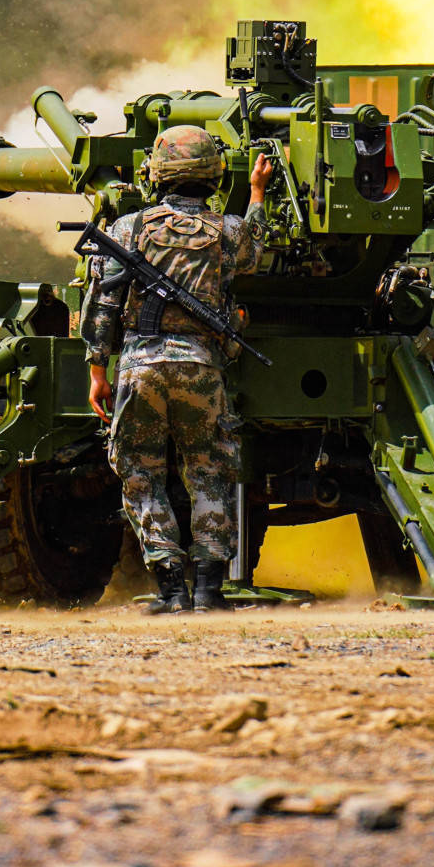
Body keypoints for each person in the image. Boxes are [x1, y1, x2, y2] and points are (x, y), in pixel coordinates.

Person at [82, 127, 273, 613]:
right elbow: (255, 251)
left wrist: (97, 371)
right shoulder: (227, 230)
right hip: (201, 367)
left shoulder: (128, 229)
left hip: (140, 368)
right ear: (212, 175)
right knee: (209, 472)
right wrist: (256, 193)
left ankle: (171, 590)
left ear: (157, 174)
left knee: (142, 474)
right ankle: (209, 590)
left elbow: (104, 302)